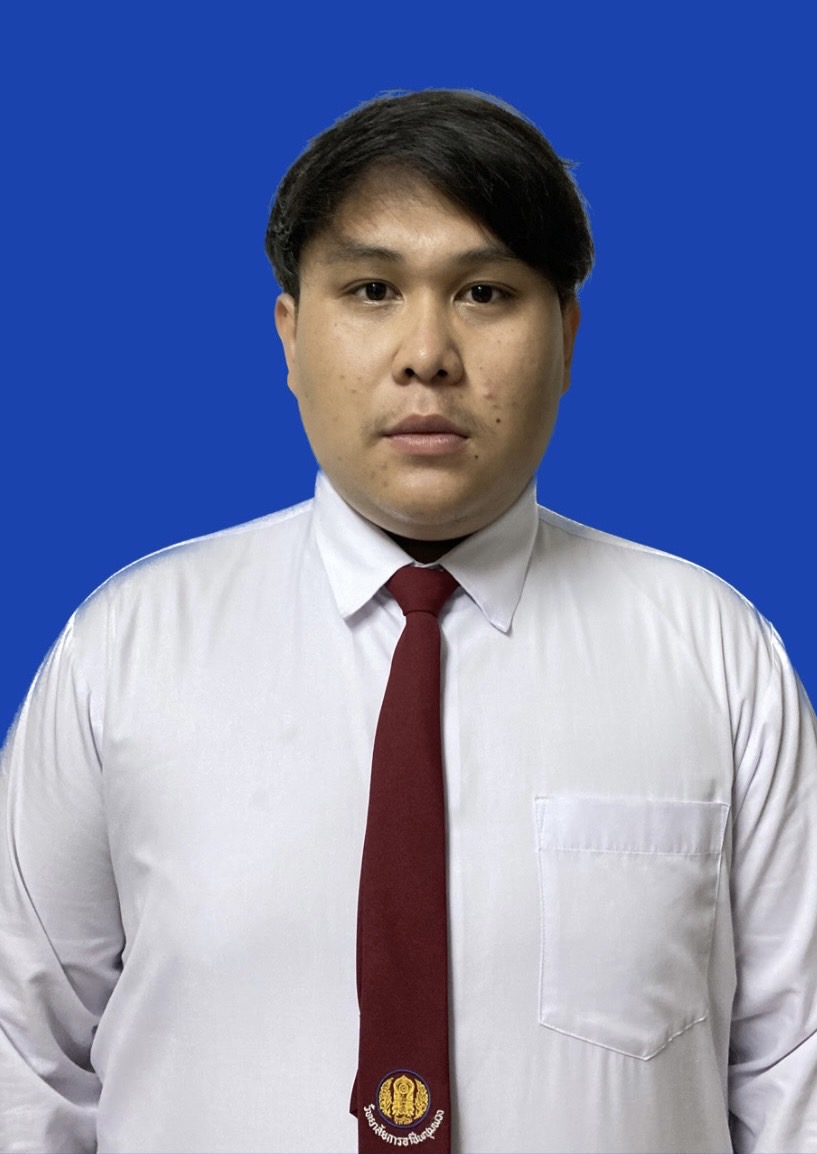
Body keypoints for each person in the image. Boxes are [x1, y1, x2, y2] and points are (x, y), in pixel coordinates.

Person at [1, 88, 815, 1154]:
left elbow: (794, 1070)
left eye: (484, 292)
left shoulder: (715, 656)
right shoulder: (124, 650)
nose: (427, 352)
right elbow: (24, 1061)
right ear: (291, 333)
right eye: (373, 289)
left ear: (566, 335)